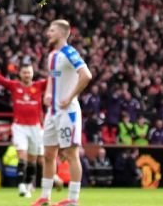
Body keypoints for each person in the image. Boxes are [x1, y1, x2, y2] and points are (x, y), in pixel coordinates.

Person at [33, 19, 93, 206]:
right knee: (48, 154)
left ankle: (73, 200)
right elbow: (53, 77)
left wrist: (70, 96)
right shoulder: (52, 55)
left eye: (51, 30)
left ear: (61, 33)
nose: (48, 33)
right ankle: (45, 197)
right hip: (52, 112)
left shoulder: (69, 53)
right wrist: (48, 93)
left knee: (70, 153)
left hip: (68, 112)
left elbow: (86, 75)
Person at [0, 53, 46, 198]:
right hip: (19, 127)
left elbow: (55, 79)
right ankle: (21, 185)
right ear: (20, 74)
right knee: (22, 155)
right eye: (24, 72)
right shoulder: (14, 86)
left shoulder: (39, 86)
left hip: (35, 127)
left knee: (32, 159)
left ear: (32, 74)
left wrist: (62, 67)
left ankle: (28, 184)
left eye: (29, 72)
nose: (27, 75)